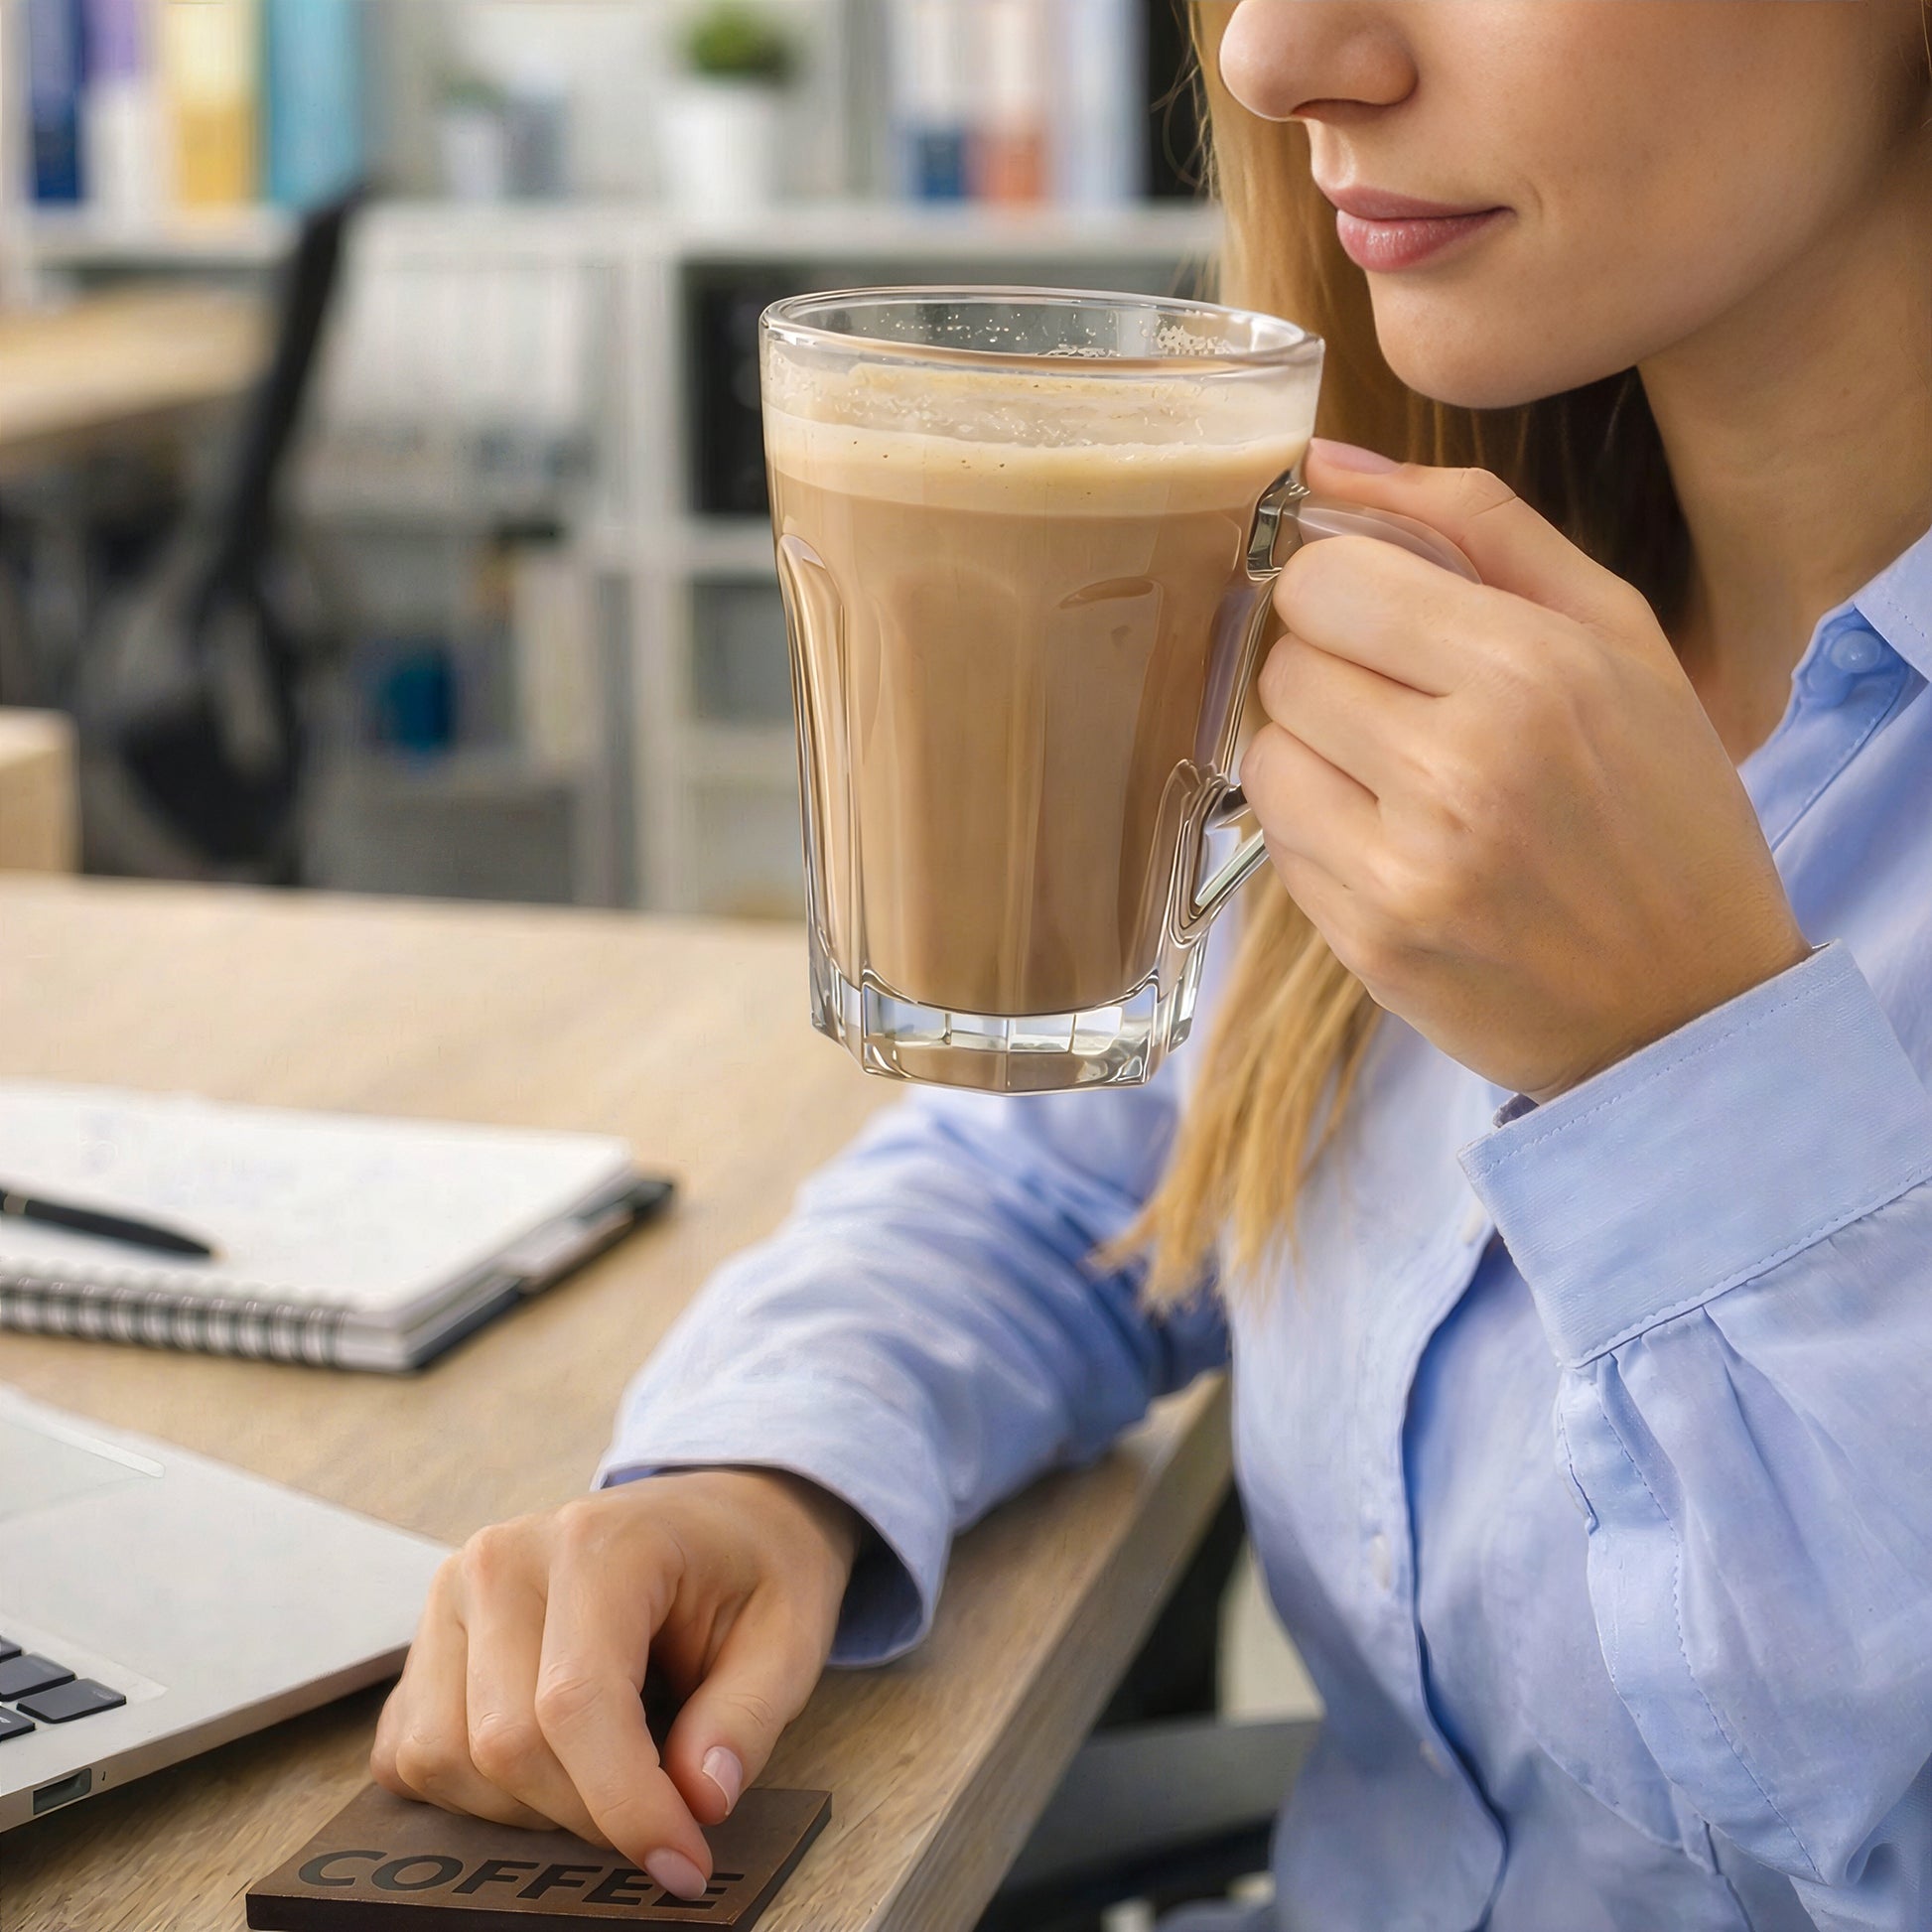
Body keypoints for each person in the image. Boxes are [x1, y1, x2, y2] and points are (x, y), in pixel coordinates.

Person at [371, 3, 1932, 1925]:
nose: (1277, 58)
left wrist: (1682, 1068)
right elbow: (1065, 1182)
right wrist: (755, 1482)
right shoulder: (1432, 653)